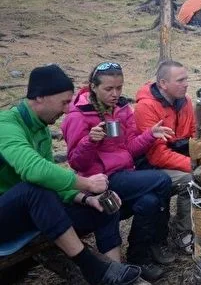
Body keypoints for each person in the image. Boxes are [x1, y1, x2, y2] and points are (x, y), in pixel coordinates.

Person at [0, 64, 141, 285]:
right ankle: (92, 267)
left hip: (32, 213)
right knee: (34, 189)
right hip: (6, 216)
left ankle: (114, 270)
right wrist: (86, 183)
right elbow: (34, 170)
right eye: (64, 102)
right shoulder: (5, 125)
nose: (67, 110)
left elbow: (52, 181)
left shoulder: (41, 131)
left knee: (103, 209)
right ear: (39, 98)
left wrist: (87, 198)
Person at [62, 62, 176, 281]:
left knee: (150, 202)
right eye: (109, 89)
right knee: (162, 180)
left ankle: (137, 258)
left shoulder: (122, 109)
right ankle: (158, 240)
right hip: (101, 182)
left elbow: (130, 148)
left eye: (119, 88)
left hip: (125, 174)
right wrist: (90, 141)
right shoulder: (79, 115)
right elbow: (77, 163)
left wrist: (150, 134)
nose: (115, 94)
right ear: (93, 87)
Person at [134, 60, 195, 254]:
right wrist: (194, 165)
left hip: (178, 156)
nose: (186, 84)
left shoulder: (185, 101)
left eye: (186, 79)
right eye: (180, 80)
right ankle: (183, 233)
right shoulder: (146, 107)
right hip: (152, 166)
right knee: (193, 179)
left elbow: (195, 137)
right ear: (162, 84)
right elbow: (157, 155)